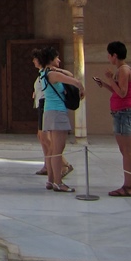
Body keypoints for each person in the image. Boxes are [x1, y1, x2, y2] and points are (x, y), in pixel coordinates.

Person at [94, 41, 131, 197]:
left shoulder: (123, 70)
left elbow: (122, 93)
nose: (108, 58)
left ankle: (127, 187)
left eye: (109, 54)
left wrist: (109, 79)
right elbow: (119, 92)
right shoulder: (124, 70)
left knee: (127, 151)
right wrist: (106, 84)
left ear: (114, 55)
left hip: (123, 113)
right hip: (127, 112)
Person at [38, 46, 83, 193]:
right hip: (57, 112)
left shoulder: (44, 72)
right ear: (51, 59)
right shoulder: (52, 75)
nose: (60, 60)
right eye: (57, 57)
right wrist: (81, 87)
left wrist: (57, 69)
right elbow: (73, 80)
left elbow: (68, 73)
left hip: (50, 111)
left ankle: (51, 180)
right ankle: (58, 182)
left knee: (53, 149)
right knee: (58, 149)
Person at [32, 51, 74, 179]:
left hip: (48, 106)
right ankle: (51, 173)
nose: (33, 61)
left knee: (51, 143)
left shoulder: (49, 73)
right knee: (45, 139)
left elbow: (72, 78)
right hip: (45, 106)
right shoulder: (43, 74)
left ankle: (61, 167)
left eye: (35, 59)